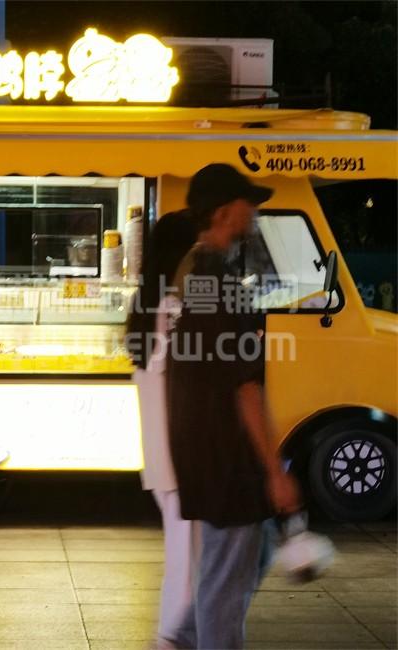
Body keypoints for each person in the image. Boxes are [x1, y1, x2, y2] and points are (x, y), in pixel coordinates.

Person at [167, 163, 301, 649]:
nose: (256, 212)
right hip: (227, 455)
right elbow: (244, 387)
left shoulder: (194, 273)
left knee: (245, 555)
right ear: (224, 212)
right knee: (226, 583)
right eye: (250, 203)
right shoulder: (221, 284)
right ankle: (193, 639)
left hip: (203, 447)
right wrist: (274, 470)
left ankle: (183, 638)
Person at [126, 210, 197, 649]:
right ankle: (172, 637)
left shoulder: (146, 306)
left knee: (183, 556)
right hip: (181, 456)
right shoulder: (173, 310)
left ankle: (175, 635)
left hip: (162, 456)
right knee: (188, 562)